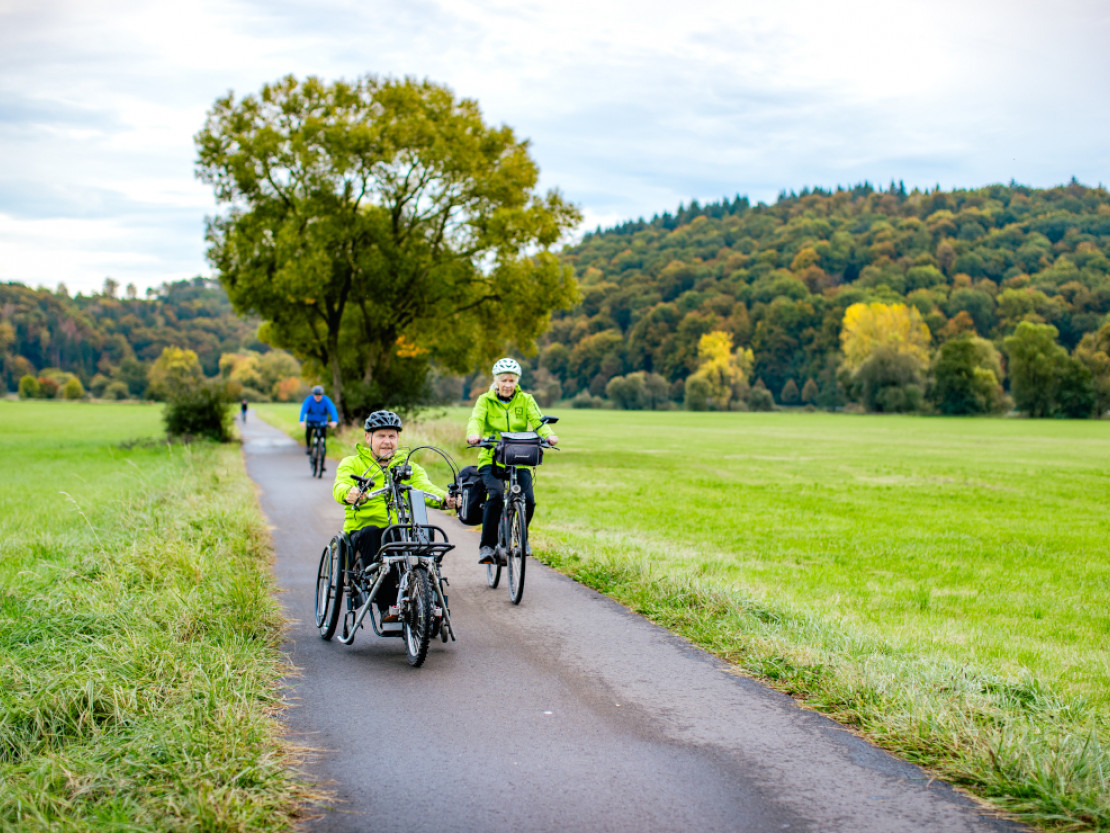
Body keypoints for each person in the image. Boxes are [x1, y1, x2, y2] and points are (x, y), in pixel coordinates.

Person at [333, 410, 460, 622]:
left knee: (424, 535)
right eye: (381, 435)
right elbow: (341, 485)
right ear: (368, 437)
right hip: (365, 531)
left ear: (398, 439)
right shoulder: (352, 463)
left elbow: (425, 488)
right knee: (377, 535)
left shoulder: (408, 467)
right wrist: (350, 493)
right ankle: (388, 607)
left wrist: (446, 498)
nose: (387, 442)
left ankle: (431, 603)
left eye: (392, 436)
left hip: (400, 528)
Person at [466, 358, 558, 565]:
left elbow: (537, 421)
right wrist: (473, 434)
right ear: (496, 381)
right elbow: (476, 419)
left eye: (512, 380)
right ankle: (487, 546)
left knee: (530, 500)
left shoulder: (526, 400)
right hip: (491, 457)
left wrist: (549, 435)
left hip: (519, 457)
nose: (508, 385)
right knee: (496, 495)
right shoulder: (485, 400)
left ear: (517, 381)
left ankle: (520, 537)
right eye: (504, 380)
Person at [299, 385, 338, 457]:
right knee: (308, 430)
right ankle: (308, 446)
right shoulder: (309, 400)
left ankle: (322, 457)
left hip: (322, 422)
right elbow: (303, 410)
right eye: (316, 395)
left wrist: (334, 421)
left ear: (322, 395)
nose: (317, 397)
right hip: (311, 421)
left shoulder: (326, 400)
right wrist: (301, 421)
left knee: (323, 436)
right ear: (313, 394)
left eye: (319, 395)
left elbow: (333, 410)